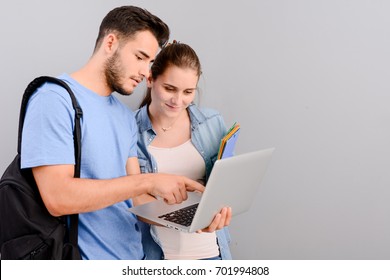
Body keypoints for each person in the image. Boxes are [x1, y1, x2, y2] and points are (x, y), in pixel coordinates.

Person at [20, 6, 230, 260]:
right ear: (111, 42)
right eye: (140, 57)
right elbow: (57, 198)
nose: (145, 72)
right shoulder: (53, 99)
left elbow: (137, 201)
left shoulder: (123, 117)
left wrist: (192, 222)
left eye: (150, 62)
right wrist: (150, 181)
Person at [134, 42, 232, 260]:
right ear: (150, 79)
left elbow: (224, 186)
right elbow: (127, 198)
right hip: (156, 257)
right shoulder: (128, 131)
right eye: (170, 89)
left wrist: (221, 211)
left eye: (188, 92)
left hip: (213, 254)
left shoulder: (212, 123)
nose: (178, 101)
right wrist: (185, 218)